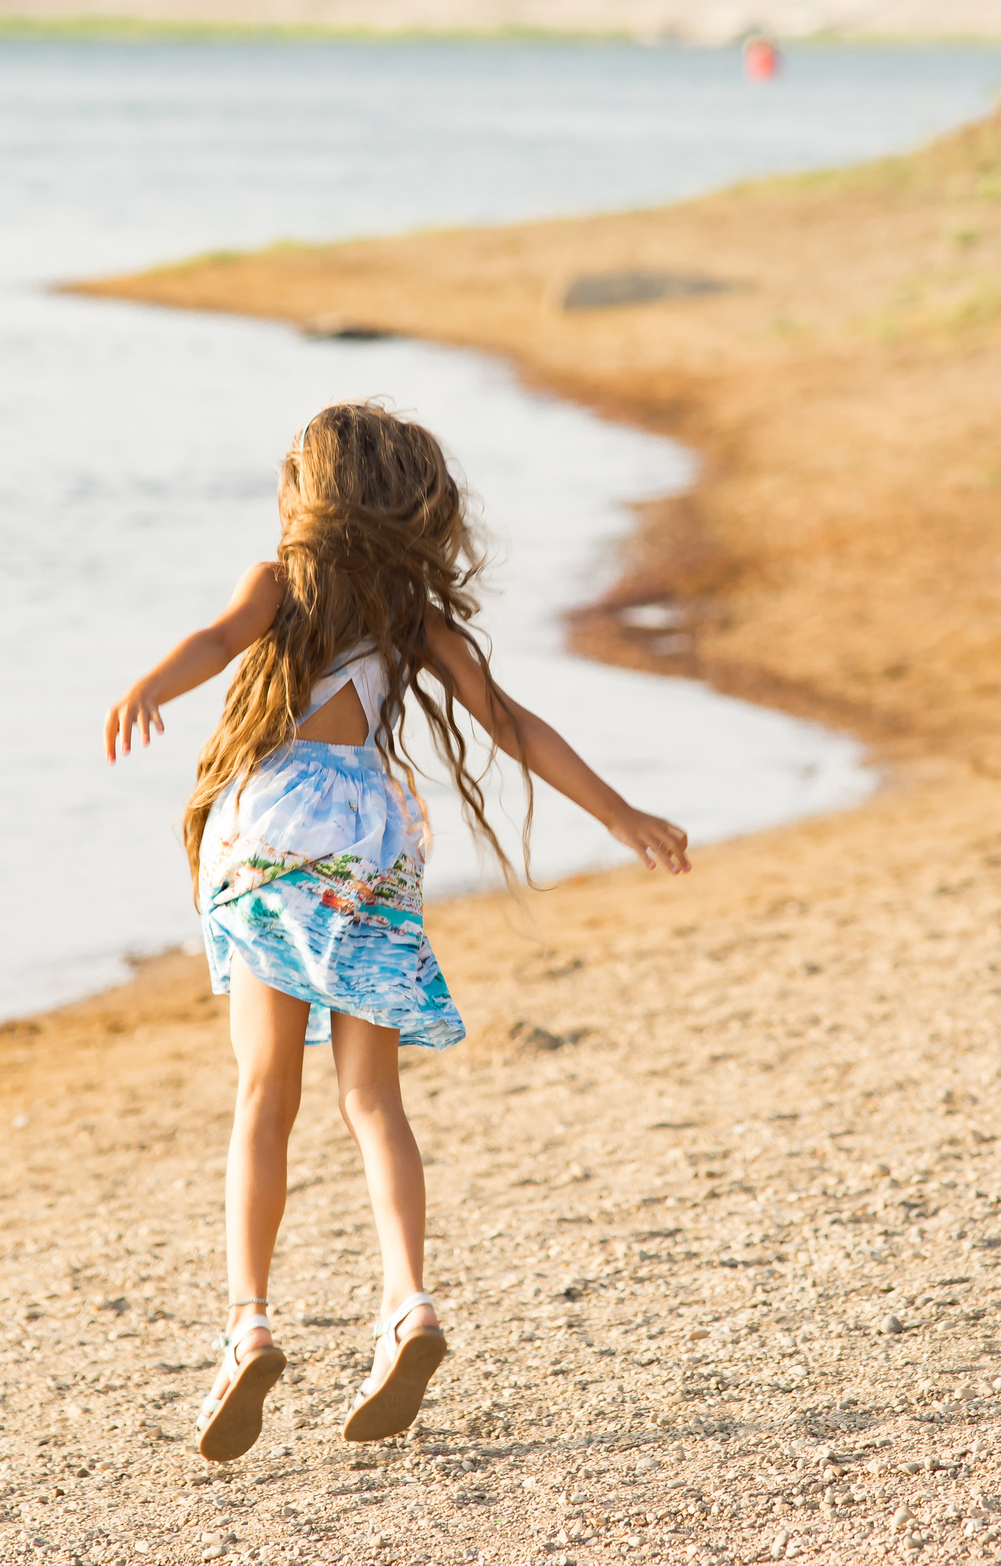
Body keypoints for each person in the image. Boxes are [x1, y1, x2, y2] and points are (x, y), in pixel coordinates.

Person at [103, 401, 692, 1462]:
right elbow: (510, 726)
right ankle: (408, 1304)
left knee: (263, 1097)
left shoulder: (278, 587)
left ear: (310, 495)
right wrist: (620, 817)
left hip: (273, 838)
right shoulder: (413, 616)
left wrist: (152, 683)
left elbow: (212, 640)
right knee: (372, 1097)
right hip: (370, 845)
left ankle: (249, 1325)